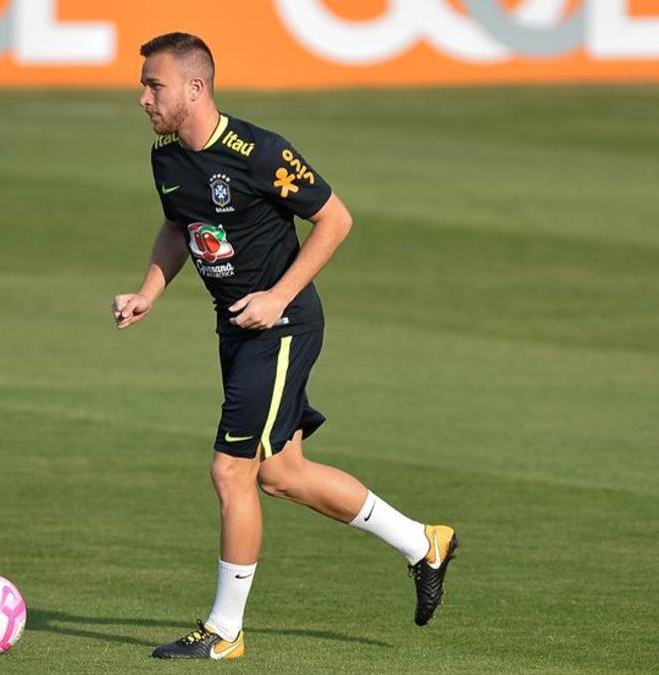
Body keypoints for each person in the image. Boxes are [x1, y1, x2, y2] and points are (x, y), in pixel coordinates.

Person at [112, 32, 458, 661]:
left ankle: (224, 631)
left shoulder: (259, 151)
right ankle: (422, 542)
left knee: (230, 470)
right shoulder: (166, 159)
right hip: (235, 331)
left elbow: (336, 218)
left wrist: (277, 296)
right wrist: (148, 293)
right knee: (281, 474)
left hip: (281, 327)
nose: (143, 98)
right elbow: (179, 226)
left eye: (153, 85)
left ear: (195, 88)